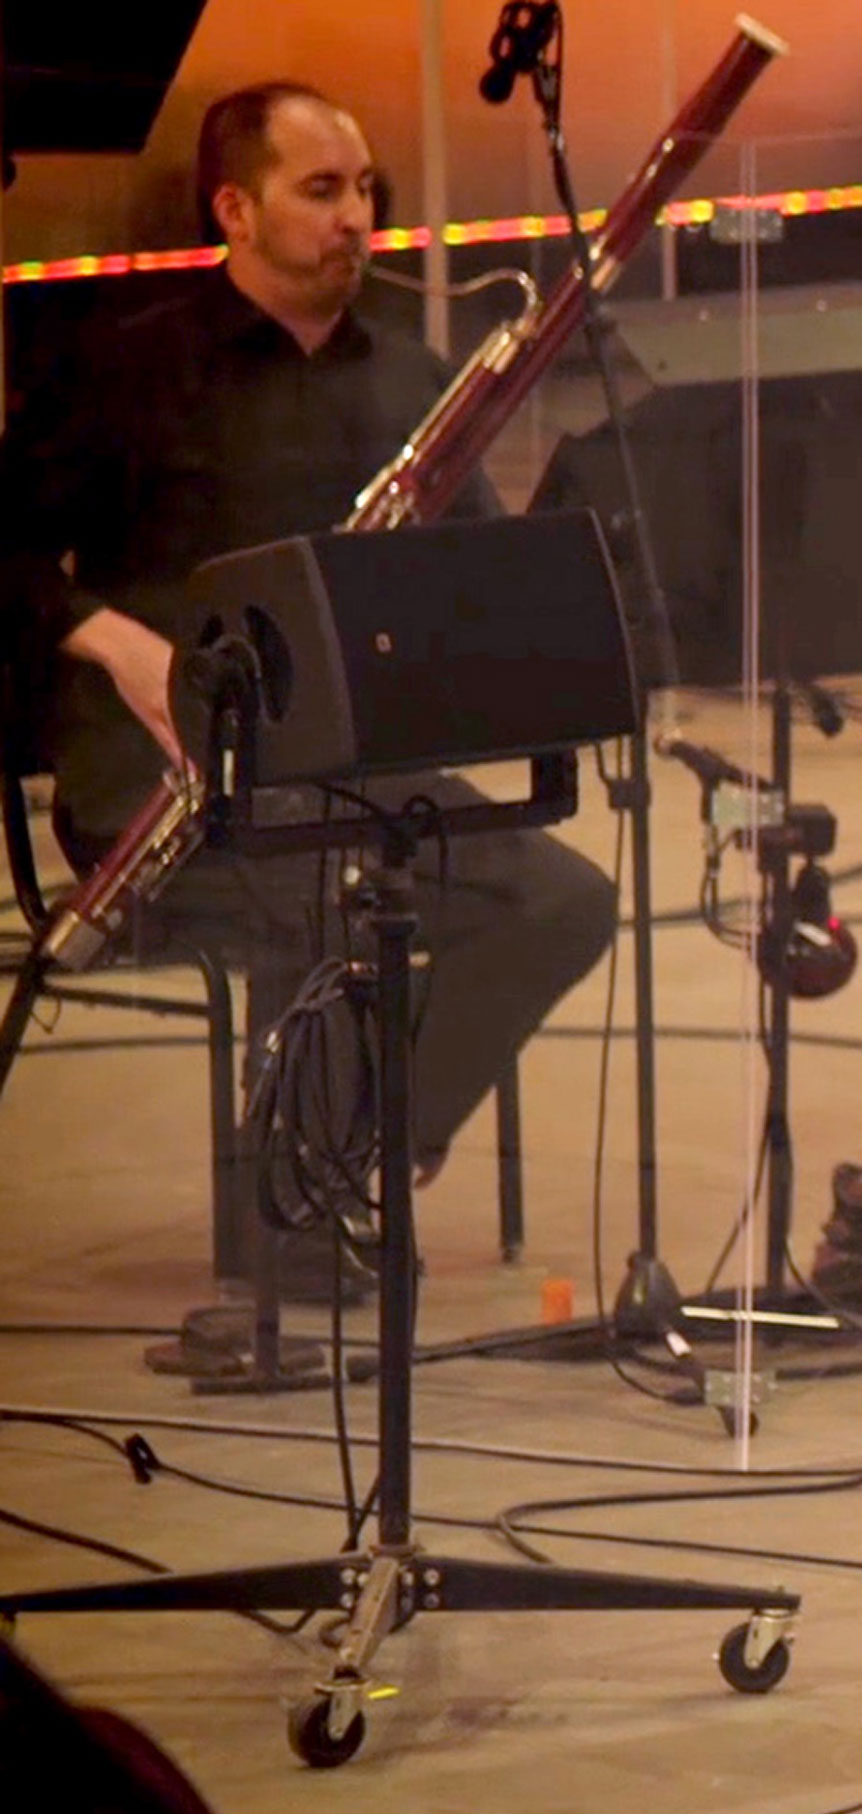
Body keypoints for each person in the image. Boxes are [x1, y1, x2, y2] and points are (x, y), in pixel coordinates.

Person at [0, 83, 619, 1323]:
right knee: (326, 884)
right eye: (322, 190)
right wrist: (115, 642)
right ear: (235, 207)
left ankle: (351, 1149)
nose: (357, 218)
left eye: (368, 190)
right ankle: (290, 1211)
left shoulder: (413, 378)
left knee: (563, 900)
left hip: (348, 759)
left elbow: (479, 583)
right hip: (159, 775)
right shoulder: (129, 370)